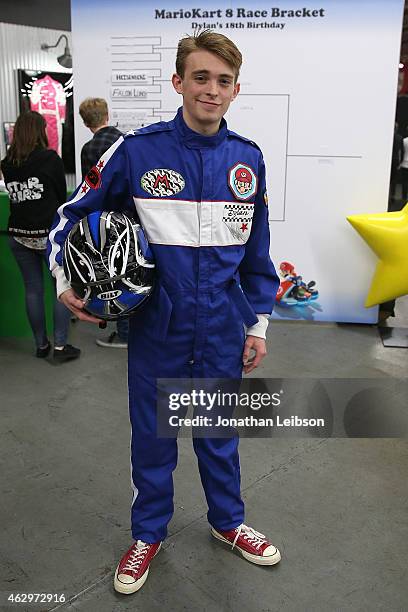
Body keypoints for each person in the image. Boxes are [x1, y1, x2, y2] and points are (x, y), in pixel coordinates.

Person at [48, 31, 281, 595]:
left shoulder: (247, 160)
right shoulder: (136, 152)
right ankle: (148, 533)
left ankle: (227, 523)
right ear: (178, 82)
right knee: (153, 437)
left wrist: (257, 325)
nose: (211, 89)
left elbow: (257, 254)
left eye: (223, 81)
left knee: (217, 434)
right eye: (200, 77)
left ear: (235, 89)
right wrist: (65, 279)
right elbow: (70, 215)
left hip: (223, 325)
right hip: (160, 326)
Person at [1, 111, 80, 362]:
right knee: (61, 288)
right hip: (49, 237)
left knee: (33, 290)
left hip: (18, 235)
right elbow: (60, 197)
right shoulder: (50, 159)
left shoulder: (7, 163)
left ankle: (40, 345)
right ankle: (59, 347)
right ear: (40, 132)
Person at [79, 97, 128, 348]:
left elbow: (88, 190)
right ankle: (127, 329)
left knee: (110, 275)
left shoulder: (88, 149)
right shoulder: (126, 142)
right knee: (128, 273)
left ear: (86, 122)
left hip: (102, 222)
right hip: (128, 220)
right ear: (107, 115)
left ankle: (122, 330)